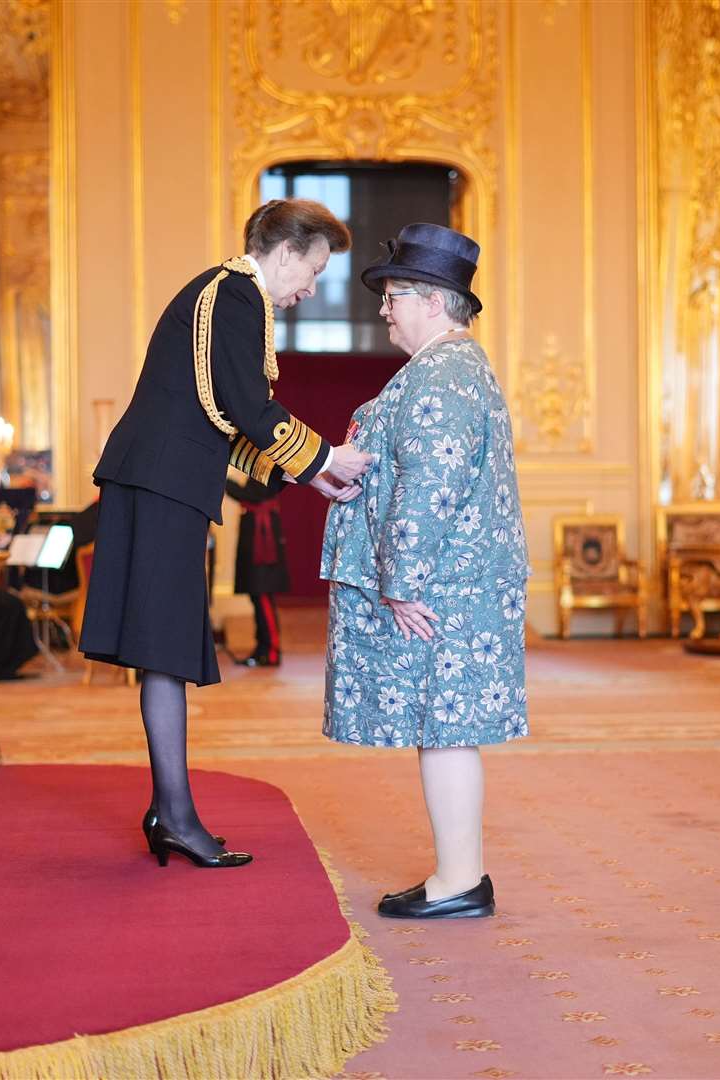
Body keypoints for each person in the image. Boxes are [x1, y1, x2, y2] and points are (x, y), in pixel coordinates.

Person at [81, 198, 371, 867]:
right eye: (314, 271)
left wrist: (309, 477)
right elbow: (244, 404)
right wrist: (326, 457)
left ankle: (172, 812)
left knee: (168, 650)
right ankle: (175, 814)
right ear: (287, 250)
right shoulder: (235, 294)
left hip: (163, 481)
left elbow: (220, 412)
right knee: (168, 648)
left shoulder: (227, 296)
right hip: (160, 484)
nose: (311, 289)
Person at [321, 223, 529, 920]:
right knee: (444, 729)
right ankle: (459, 874)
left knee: (444, 729)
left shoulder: (443, 373)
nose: (383, 310)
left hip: (442, 589)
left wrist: (400, 582)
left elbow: (429, 484)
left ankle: (461, 881)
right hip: (457, 583)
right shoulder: (452, 367)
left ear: (433, 300)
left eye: (393, 296)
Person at [225, 475, 288, 667]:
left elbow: (252, 494)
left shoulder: (268, 463)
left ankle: (271, 650)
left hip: (262, 540)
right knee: (257, 596)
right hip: (256, 536)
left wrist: (222, 478)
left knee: (262, 597)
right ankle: (262, 649)